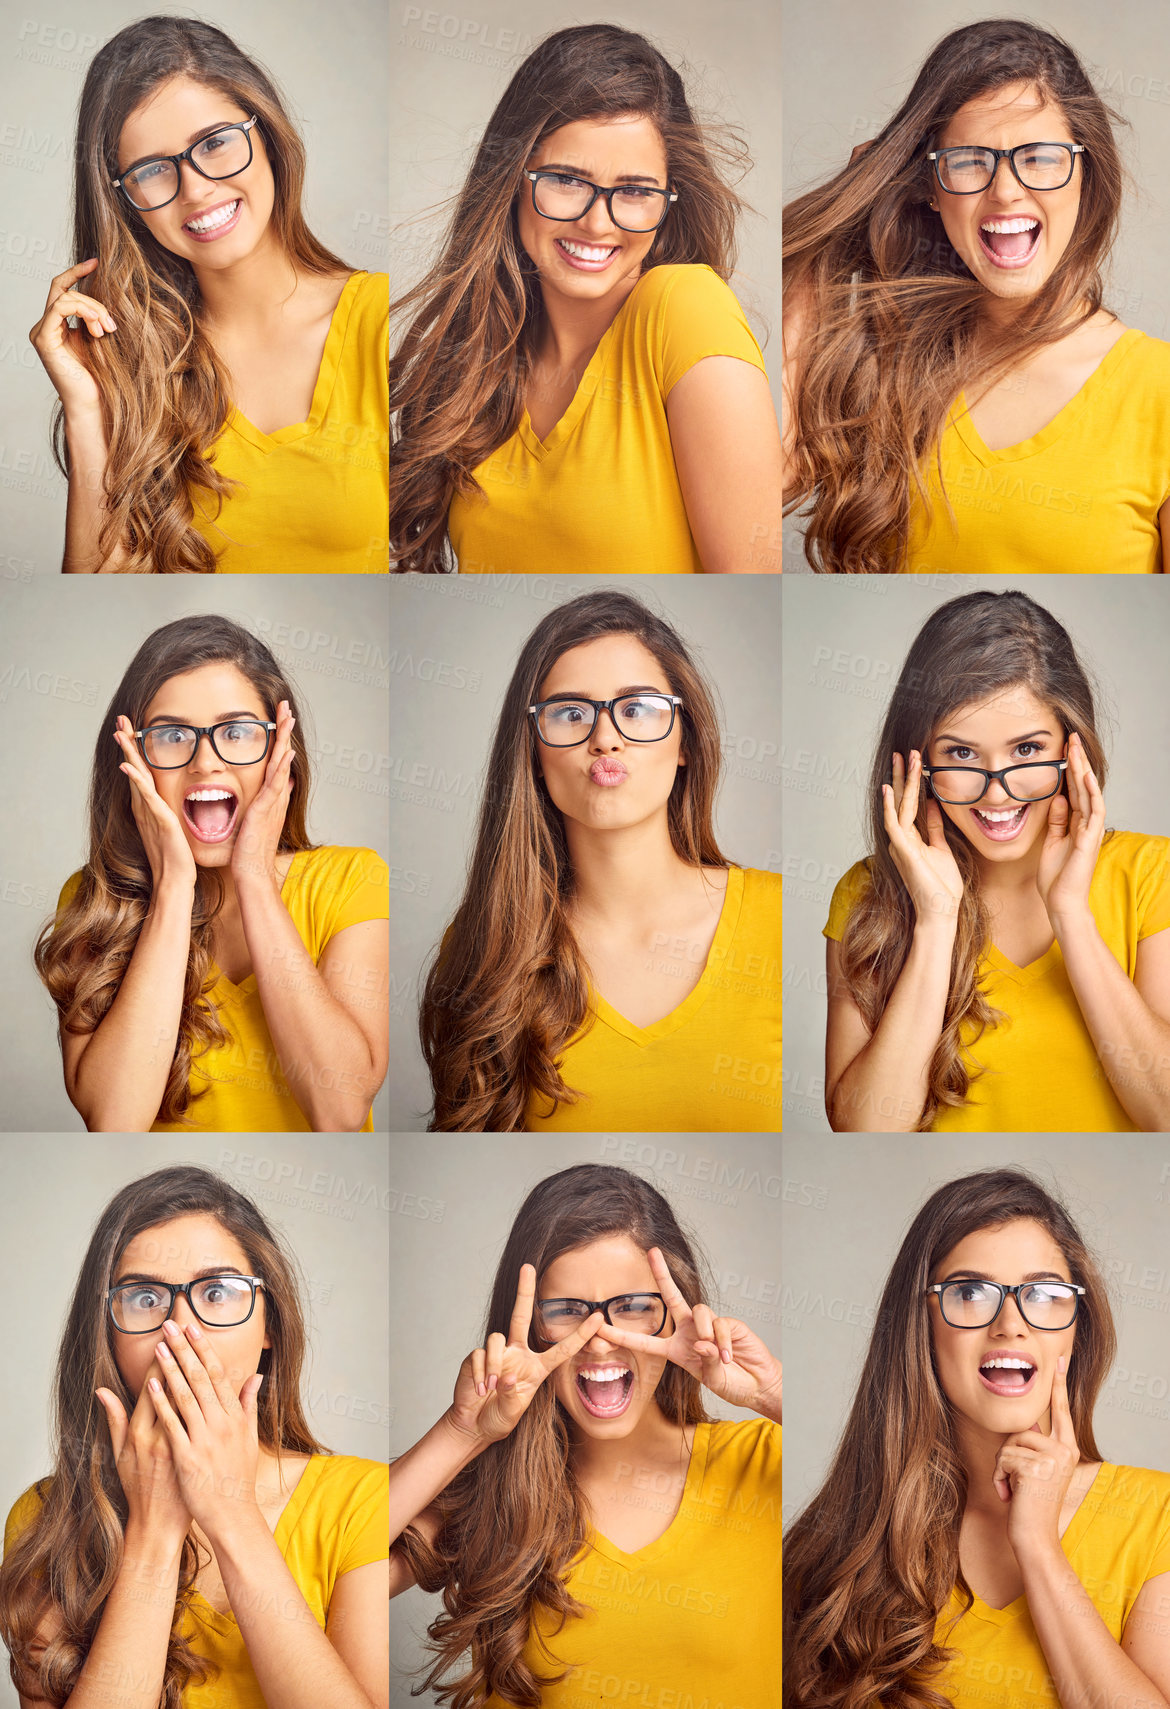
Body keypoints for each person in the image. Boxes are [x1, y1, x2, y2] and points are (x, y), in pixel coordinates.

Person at [392, 23, 781, 574]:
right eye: (566, 180)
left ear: (669, 200)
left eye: (636, 191)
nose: (597, 223)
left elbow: (755, 579)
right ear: (513, 180)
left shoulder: (686, 308)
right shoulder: (483, 360)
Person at [783, 18, 1170, 573]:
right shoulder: (887, 369)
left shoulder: (1161, 390)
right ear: (930, 189)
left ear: (1086, 175)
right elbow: (762, 483)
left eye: (1040, 157)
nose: (1007, 191)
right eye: (968, 161)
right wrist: (841, 227)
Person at [0, 1164, 389, 1709]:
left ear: (269, 1323)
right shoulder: (45, 1518)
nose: (181, 1327)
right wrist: (154, 1532)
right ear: (104, 1335)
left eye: (217, 1291)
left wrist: (229, 1513)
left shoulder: (361, 1497)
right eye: (144, 1299)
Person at [391, 1163, 781, 1705]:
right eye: (569, 1310)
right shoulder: (487, 1491)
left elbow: (901, 1464)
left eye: (632, 1308)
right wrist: (461, 1432)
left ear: (673, 1312)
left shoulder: (762, 1461)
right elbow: (328, 1563)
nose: (599, 1341)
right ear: (529, 1327)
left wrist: (771, 1392)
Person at [783, 1167, 1170, 1709]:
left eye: (1042, 1293)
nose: (1010, 1323)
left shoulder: (1157, 1516)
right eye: (970, 1292)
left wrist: (1038, 1546)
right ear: (922, 1323)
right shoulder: (836, 1549)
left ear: (1077, 1327)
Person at [29, 16, 388, 573]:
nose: (195, 190)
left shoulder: (386, 319)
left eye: (215, 143)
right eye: (152, 170)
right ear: (122, 201)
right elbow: (105, 581)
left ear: (265, 134)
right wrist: (87, 407)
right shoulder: (134, 365)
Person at [420, 589, 781, 1130]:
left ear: (685, 741)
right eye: (571, 713)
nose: (606, 739)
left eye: (636, 709)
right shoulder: (487, 942)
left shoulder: (780, 915)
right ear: (533, 752)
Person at [824, 589, 1170, 1131]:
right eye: (962, 753)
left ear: (1071, 750)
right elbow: (866, 1131)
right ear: (917, 764)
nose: (997, 793)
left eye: (1027, 750)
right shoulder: (867, 893)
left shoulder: (1153, 874)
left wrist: (1072, 915)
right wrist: (936, 922)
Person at [34, 615, 389, 1131]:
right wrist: (173, 888)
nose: (206, 763)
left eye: (237, 731)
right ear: (132, 754)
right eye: (173, 734)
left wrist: (254, 878)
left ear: (279, 750)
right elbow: (114, 1121)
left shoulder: (352, 880)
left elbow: (339, 1113)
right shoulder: (95, 899)